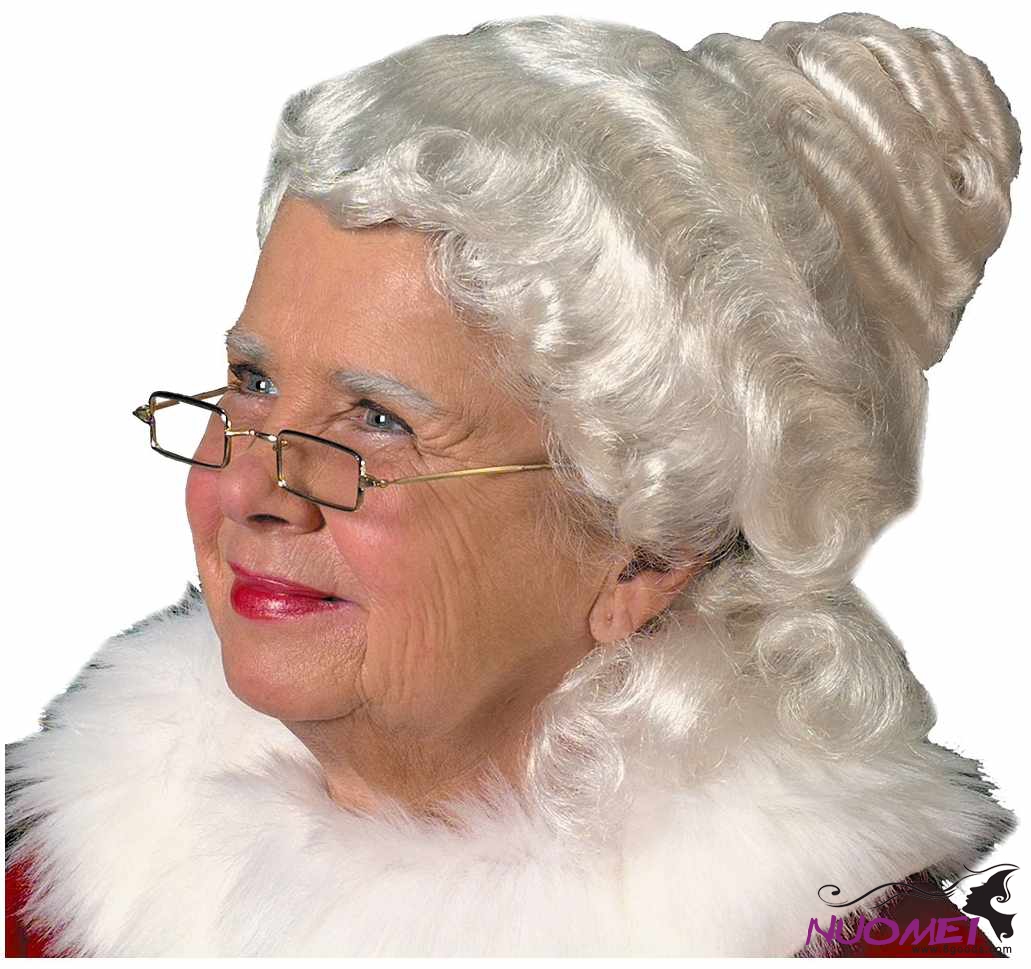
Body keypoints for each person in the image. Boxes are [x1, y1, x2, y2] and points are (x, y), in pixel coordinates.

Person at [5, 11, 1020, 957]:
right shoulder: (54, 903)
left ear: (648, 549)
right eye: (253, 382)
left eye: (377, 418)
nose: (251, 487)